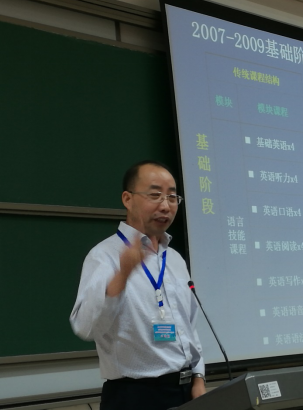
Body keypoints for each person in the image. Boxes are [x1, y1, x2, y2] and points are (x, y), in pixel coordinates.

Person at [70, 161, 206, 410]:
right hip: (135, 396)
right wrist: (122, 275)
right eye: (155, 195)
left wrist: (198, 377)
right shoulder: (104, 256)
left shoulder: (174, 259)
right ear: (127, 199)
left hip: (186, 391)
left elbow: (189, 326)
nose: (165, 206)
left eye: (172, 197)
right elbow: (84, 328)